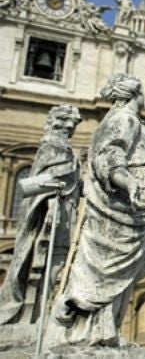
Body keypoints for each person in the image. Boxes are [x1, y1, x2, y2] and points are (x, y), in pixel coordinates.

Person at [50, 73, 145, 347]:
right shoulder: (123, 119)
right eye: (143, 92)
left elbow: (141, 161)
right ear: (133, 95)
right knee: (109, 268)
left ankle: (104, 330)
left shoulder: (131, 121)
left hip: (139, 203)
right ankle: (90, 330)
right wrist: (127, 181)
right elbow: (109, 156)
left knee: (123, 271)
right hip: (125, 205)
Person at [0, 105, 82, 324]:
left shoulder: (69, 152)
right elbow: (29, 185)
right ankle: (27, 317)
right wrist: (53, 188)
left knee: (57, 266)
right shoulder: (50, 148)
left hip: (65, 216)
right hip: (45, 215)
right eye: (65, 121)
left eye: (73, 124)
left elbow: (76, 186)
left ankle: (39, 315)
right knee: (32, 265)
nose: (69, 127)